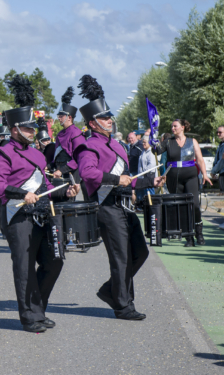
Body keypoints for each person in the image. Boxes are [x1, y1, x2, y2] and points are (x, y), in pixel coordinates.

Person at [0, 76, 78, 332]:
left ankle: (38, 308)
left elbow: (46, 187)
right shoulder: (3, 152)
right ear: (15, 129)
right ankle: (29, 317)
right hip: (18, 218)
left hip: (42, 215)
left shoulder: (38, 153)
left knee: (54, 262)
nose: (33, 132)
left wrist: (66, 192)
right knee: (25, 269)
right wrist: (19, 193)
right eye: (28, 128)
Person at [74, 74, 164, 321]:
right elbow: (88, 173)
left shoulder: (117, 145)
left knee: (140, 252)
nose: (109, 120)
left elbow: (128, 176)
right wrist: (116, 180)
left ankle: (110, 290)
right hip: (106, 206)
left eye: (109, 116)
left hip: (124, 205)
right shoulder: (88, 146)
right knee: (121, 257)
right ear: (93, 123)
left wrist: (149, 181)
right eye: (104, 117)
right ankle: (124, 305)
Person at [152, 119, 212, 246]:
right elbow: (156, 151)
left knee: (195, 205)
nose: (172, 128)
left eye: (175, 126)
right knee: (181, 207)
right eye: (171, 126)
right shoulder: (168, 142)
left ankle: (199, 233)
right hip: (174, 178)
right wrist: (154, 143)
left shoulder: (192, 141)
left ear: (183, 127)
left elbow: (200, 159)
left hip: (191, 177)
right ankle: (188, 237)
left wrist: (205, 175)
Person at [51, 87, 86, 183]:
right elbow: (57, 156)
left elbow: (79, 158)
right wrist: (50, 165)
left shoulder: (76, 133)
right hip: (58, 173)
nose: (59, 118)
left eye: (61, 116)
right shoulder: (59, 134)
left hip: (71, 174)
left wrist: (62, 170)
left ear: (69, 117)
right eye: (59, 116)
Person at [136, 135, 157, 206]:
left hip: (149, 176)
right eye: (142, 142)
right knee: (145, 194)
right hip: (143, 176)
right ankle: (147, 206)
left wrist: (142, 172)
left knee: (150, 193)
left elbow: (151, 165)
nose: (143, 144)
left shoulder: (151, 152)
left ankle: (152, 206)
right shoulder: (143, 151)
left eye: (145, 142)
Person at [210, 126, 224, 192]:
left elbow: (222, 161)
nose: (218, 134)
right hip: (221, 172)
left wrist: (213, 171)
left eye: (220, 132)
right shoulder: (221, 144)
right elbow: (217, 159)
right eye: (217, 132)